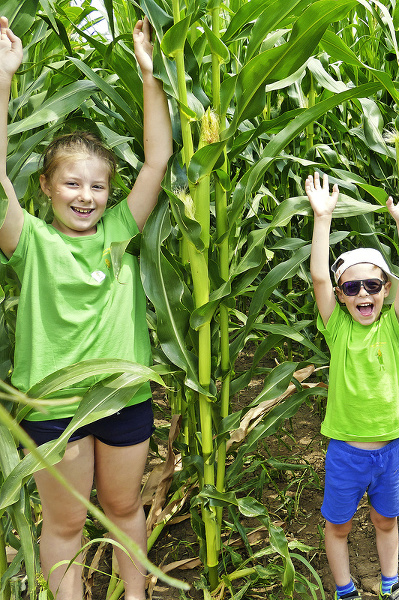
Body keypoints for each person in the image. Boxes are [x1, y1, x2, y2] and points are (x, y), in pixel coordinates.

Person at [0, 17, 171, 600]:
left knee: (124, 509)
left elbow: (156, 161)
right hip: (53, 405)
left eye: (98, 187)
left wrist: (151, 77)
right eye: (72, 184)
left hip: (123, 397)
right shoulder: (30, 242)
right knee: (67, 525)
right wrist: (3, 84)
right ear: (45, 187)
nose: (86, 197)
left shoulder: (120, 231)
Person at [307, 172, 399, 600]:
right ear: (342, 295)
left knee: (386, 521)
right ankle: (344, 589)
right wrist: (322, 218)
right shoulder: (337, 328)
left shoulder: (393, 327)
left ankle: (390, 583)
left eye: (373, 286)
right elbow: (319, 279)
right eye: (353, 287)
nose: (364, 294)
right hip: (346, 451)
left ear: (384, 289)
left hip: (391, 449)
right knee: (338, 525)